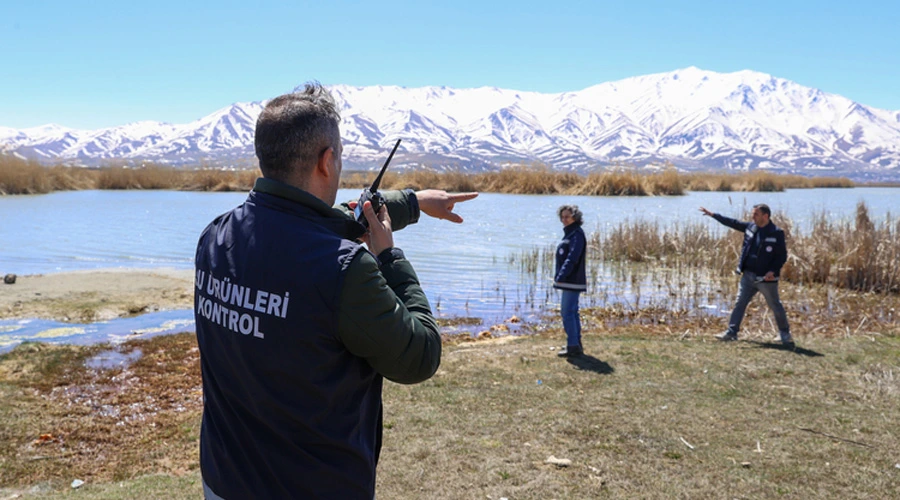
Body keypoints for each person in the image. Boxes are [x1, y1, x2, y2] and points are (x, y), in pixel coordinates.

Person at [194, 83, 478, 499]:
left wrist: (413, 203)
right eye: (340, 155)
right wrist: (389, 257)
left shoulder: (216, 237)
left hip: (225, 480)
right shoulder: (344, 269)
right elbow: (420, 355)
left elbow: (315, 223)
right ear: (328, 161)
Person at [699, 204, 794, 348]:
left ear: (765, 216)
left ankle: (785, 334)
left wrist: (772, 271)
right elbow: (733, 223)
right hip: (748, 276)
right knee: (740, 303)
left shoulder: (776, 232)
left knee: (775, 305)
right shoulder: (750, 227)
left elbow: (782, 256)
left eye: (756, 214)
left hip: (765, 279)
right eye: (753, 214)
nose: (752, 217)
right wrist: (713, 215)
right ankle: (732, 332)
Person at [554, 204, 587, 357]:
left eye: (567, 217)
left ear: (575, 218)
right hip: (571, 280)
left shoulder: (576, 234)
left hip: (572, 281)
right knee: (572, 312)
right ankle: (576, 344)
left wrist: (561, 276)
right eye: (562, 217)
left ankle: (573, 346)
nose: (564, 220)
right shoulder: (570, 233)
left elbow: (572, 258)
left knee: (567, 312)